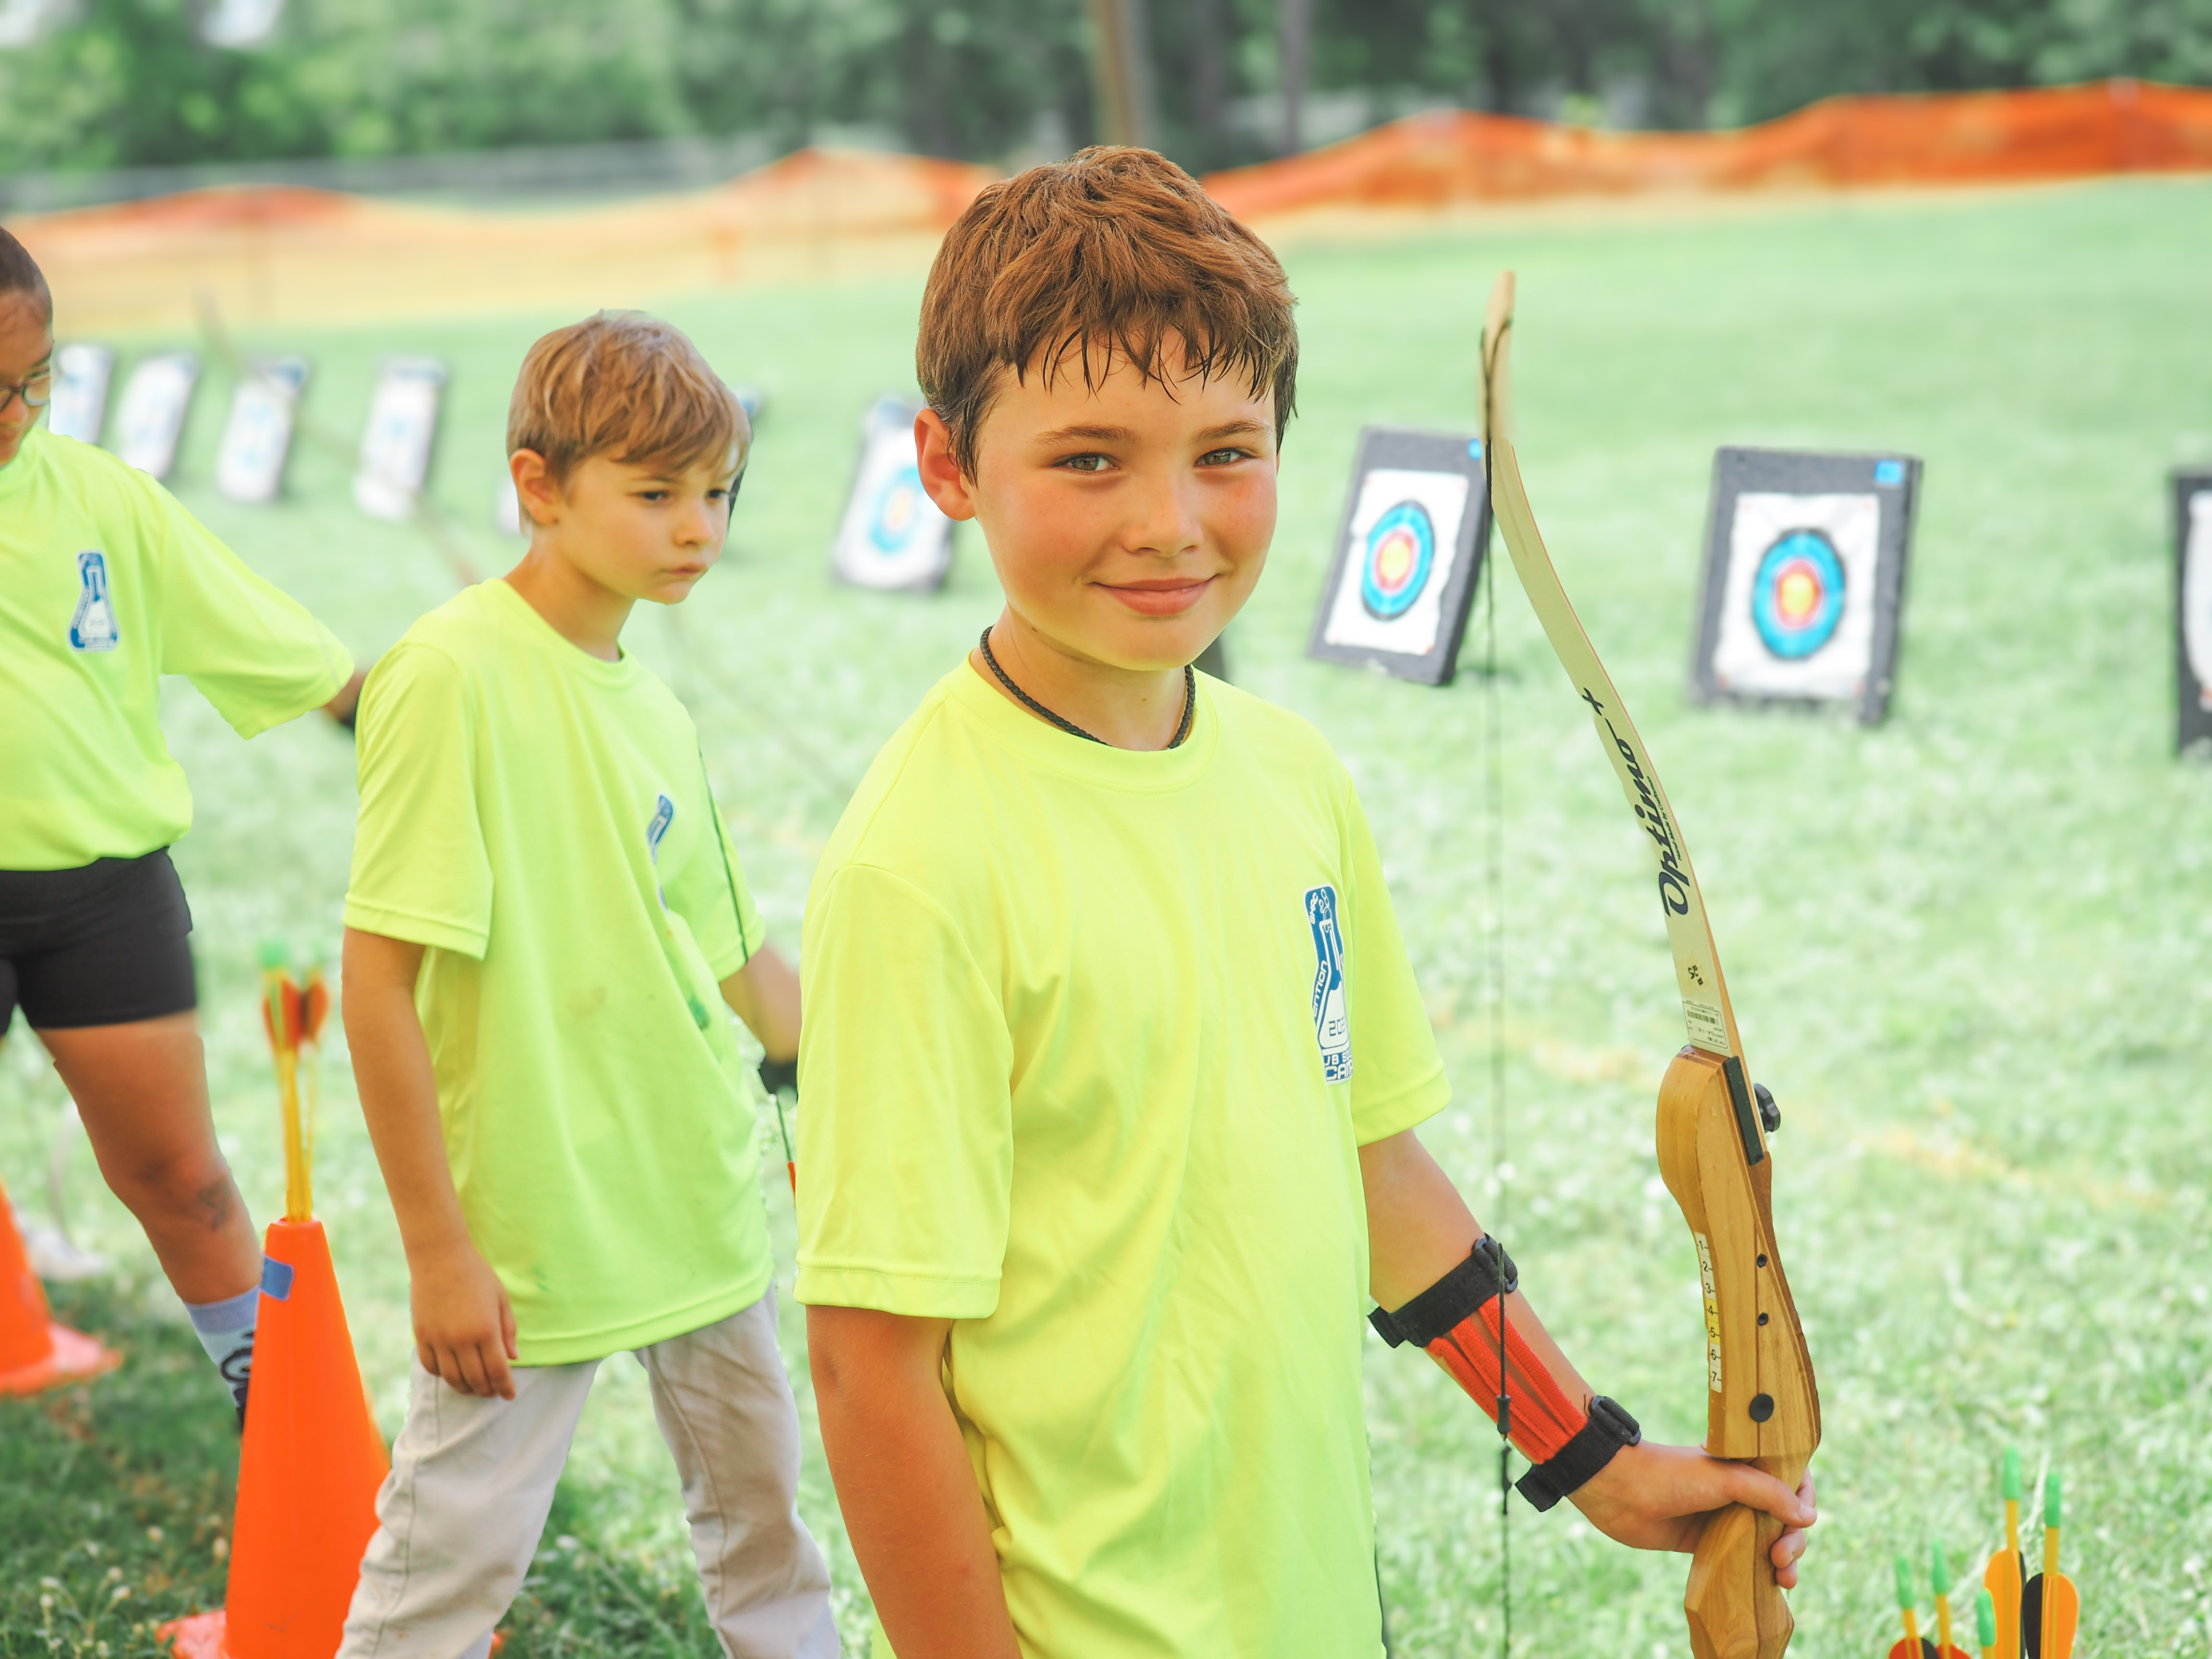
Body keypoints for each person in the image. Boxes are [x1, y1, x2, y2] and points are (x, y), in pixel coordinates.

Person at [794, 148, 1819, 1658]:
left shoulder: (1291, 776)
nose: (1171, 523)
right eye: (1090, 462)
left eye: (1226, 452)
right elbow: (870, 1366)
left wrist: (1596, 1460)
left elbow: (1374, 1169)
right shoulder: (921, 863)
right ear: (947, 468)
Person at [338, 311, 838, 1659]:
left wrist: (872, 1076)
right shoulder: (447, 674)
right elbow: (377, 988)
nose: (700, 530)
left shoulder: (656, 709)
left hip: (697, 1200)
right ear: (539, 486)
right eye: (658, 493)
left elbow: (739, 968)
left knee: (772, 1551)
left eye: (720, 493)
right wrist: (440, 1253)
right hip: (529, 1231)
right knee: (447, 1568)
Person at [0, 226, 362, 1425]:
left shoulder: (101, 495)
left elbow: (280, 649)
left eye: (39, 379)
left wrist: (410, 720)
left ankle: (289, 1433)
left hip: (103, 900)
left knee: (187, 1183)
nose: (18, 413)